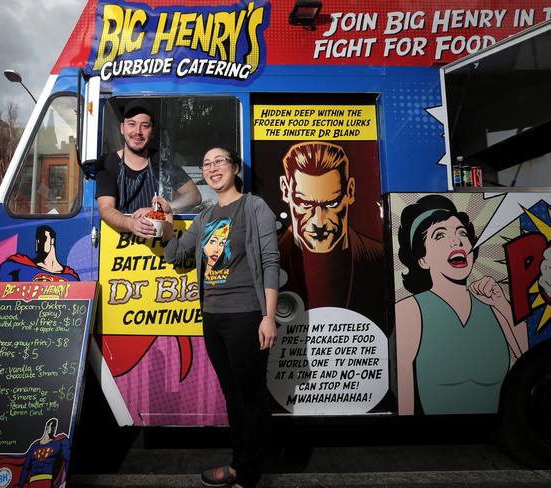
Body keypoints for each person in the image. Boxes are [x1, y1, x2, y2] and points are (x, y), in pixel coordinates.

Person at [157, 147, 279, 488]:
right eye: (206, 164)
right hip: (212, 318)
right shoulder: (206, 216)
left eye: (220, 162)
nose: (213, 168)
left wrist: (268, 316)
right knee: (233, 396)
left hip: (245, 316)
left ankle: (249, 475)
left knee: (252, 399)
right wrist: (165, 226)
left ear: (235, 168)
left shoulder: (255, 207)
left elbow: (270, 262)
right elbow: (177, 254)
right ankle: (238, 464)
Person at [395, 194, 529, 415]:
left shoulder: (494, 304)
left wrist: (502, 304)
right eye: (440, 235)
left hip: (496, 435)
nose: (456, 241)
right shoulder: (410, 310)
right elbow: (405, 406)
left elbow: (531, 363)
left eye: (462, 233)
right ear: (422, 259)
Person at [278, 141, 384, 324]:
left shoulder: (379, 258)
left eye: (332, 204)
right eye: (305, 204)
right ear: (286, 190)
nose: (319, 221)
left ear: (350, 191)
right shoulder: (270, 258)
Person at [95, 99, 201, 238]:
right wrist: (130, 223)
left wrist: (159, 209)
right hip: (119, 245)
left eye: (145, 126)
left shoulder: (162, 162)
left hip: (158, 248)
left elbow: (194, 196)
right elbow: (106, 208)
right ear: (122, 128)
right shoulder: (108, 163)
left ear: (152, 132)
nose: (138, 131)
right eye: (132, 124)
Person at [0, 225, 79, 282]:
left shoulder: (70, 276)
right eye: (37, 240)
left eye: (43, 238)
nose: (39, 243)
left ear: (52, 241)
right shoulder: (18, 264)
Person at [18, 418, 71, 487]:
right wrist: (20, 486)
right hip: (32, 482)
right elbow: (26, 468)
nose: (53, 429)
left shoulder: (58, 444)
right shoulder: (34, 447)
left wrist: (65, 481)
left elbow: (67, 460)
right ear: (47, 426)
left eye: (55, 427)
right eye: (52, 426)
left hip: (46, 480)